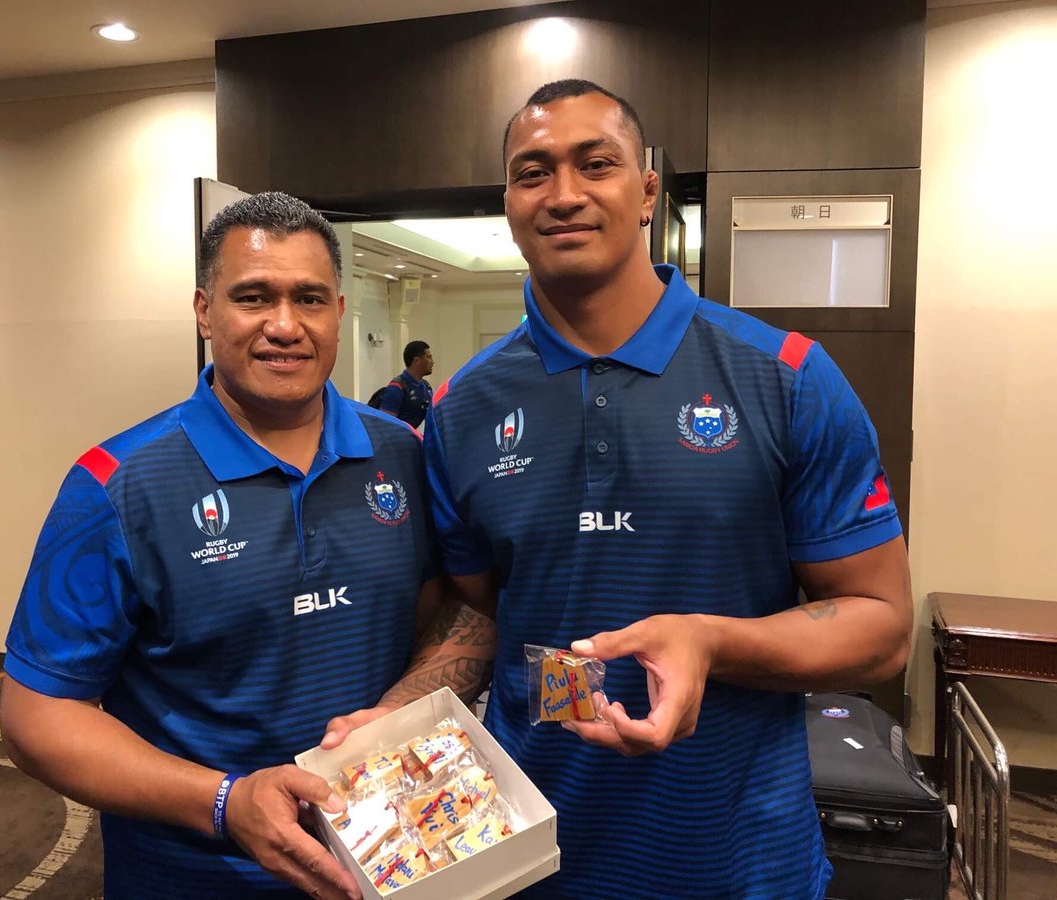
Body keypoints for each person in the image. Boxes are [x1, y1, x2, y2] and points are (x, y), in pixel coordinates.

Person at [323, 80, 913, 898]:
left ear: (646, 193)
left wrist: (711, 642)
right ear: (509, 204)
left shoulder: (785, 377)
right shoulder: (462, 410)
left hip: (737, 859)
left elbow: (883, 628)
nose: (563, 194)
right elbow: (484, 611)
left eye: (595, 164)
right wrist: (399, 712)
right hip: (524, 854)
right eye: (533, 173)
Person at [0, 192, 441, 900]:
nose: (285, 326)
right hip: (194, 875)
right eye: (253, 297)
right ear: (205, 312)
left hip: (389, 860)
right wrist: (226, 803)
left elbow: (436, 614)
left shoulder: (401, 454)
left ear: (338, 311)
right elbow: (36, 718)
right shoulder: (115, 485)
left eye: (309, 299)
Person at [376, 340, 434, 427]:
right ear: (417, 360)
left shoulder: (426, 387)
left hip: (411, 435)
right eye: (428, 357)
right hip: (396, 435)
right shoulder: (397, 387)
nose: (432, 362)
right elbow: (385, 425)